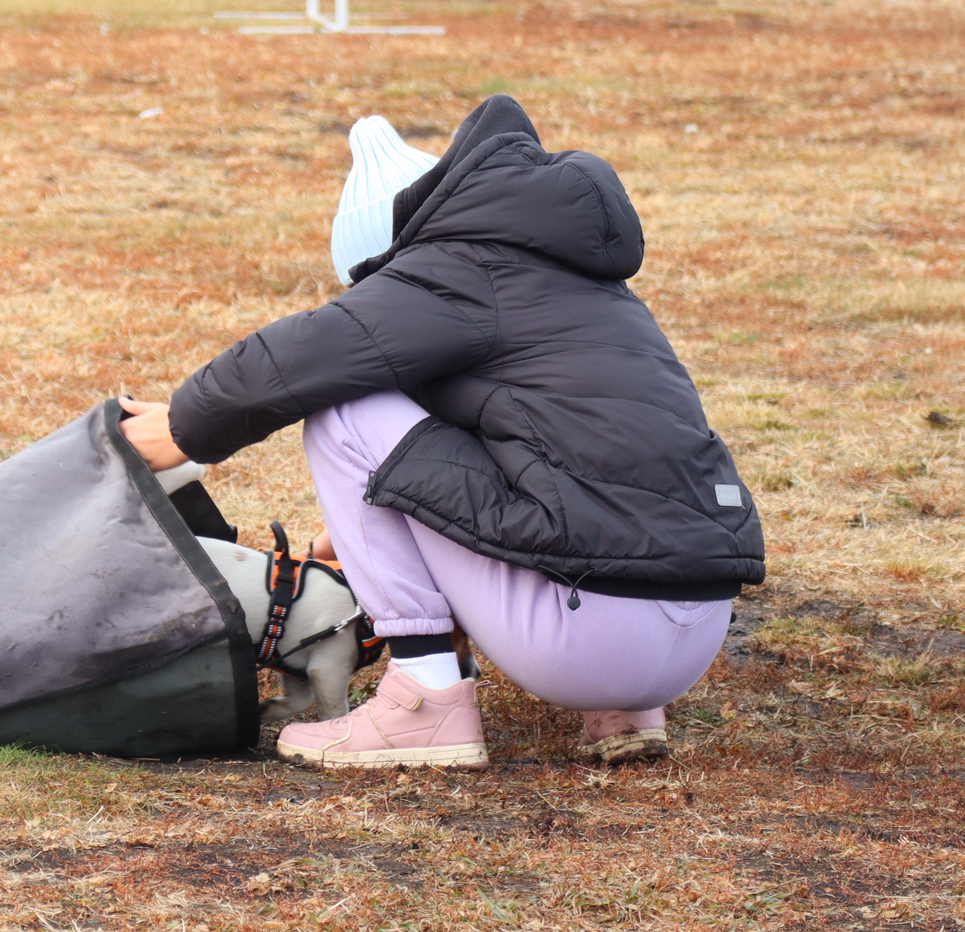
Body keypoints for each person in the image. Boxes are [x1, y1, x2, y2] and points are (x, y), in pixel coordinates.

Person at [121, 96, 763, 769]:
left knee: (343, 408)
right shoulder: (584, 288)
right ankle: (625, 711)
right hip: (692, 632)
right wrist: (354, 535)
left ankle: (423, 701)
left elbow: (302, 357)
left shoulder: (452, 270)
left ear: (393, 255)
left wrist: (183, 426)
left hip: (585, 638)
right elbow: (536, 449)